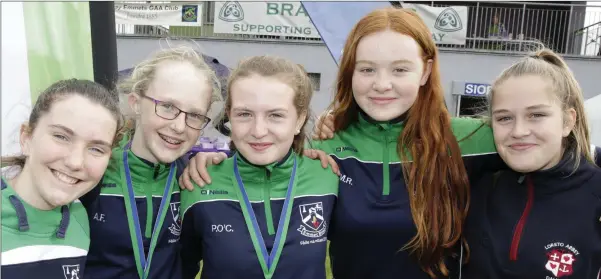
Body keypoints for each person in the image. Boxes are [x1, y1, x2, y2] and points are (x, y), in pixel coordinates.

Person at [180, 7, 501, 279]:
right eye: (367, 69)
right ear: (350, 73)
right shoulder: (327, 148)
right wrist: (209, 163)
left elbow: (540, 147)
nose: (382, 84)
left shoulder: (475, 139)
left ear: (425, 70)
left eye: (400, 69)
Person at [179, 56, 339, 279]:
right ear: (229, 115)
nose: (259, 130)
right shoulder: (199, 181)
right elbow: (178, 267)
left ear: (299, 120)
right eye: (244, 114)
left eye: (275, 115)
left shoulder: (327, 176)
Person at [82, 46, 222, 279]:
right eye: (167, 106)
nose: (179, 126)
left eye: (195, 115)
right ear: (136, 102)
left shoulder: (199, 180)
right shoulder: (91, 172)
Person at [463, 49, 601, 278]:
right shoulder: (477, 182)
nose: (519, 131)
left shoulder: (595, 192)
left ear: (568, 121)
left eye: (536, 115)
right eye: (504, 118)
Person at [1, 79, 122, 279]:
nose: (75, 162)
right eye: (61, 136)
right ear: (26, 138)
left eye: (96, 149)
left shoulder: (79, 217)